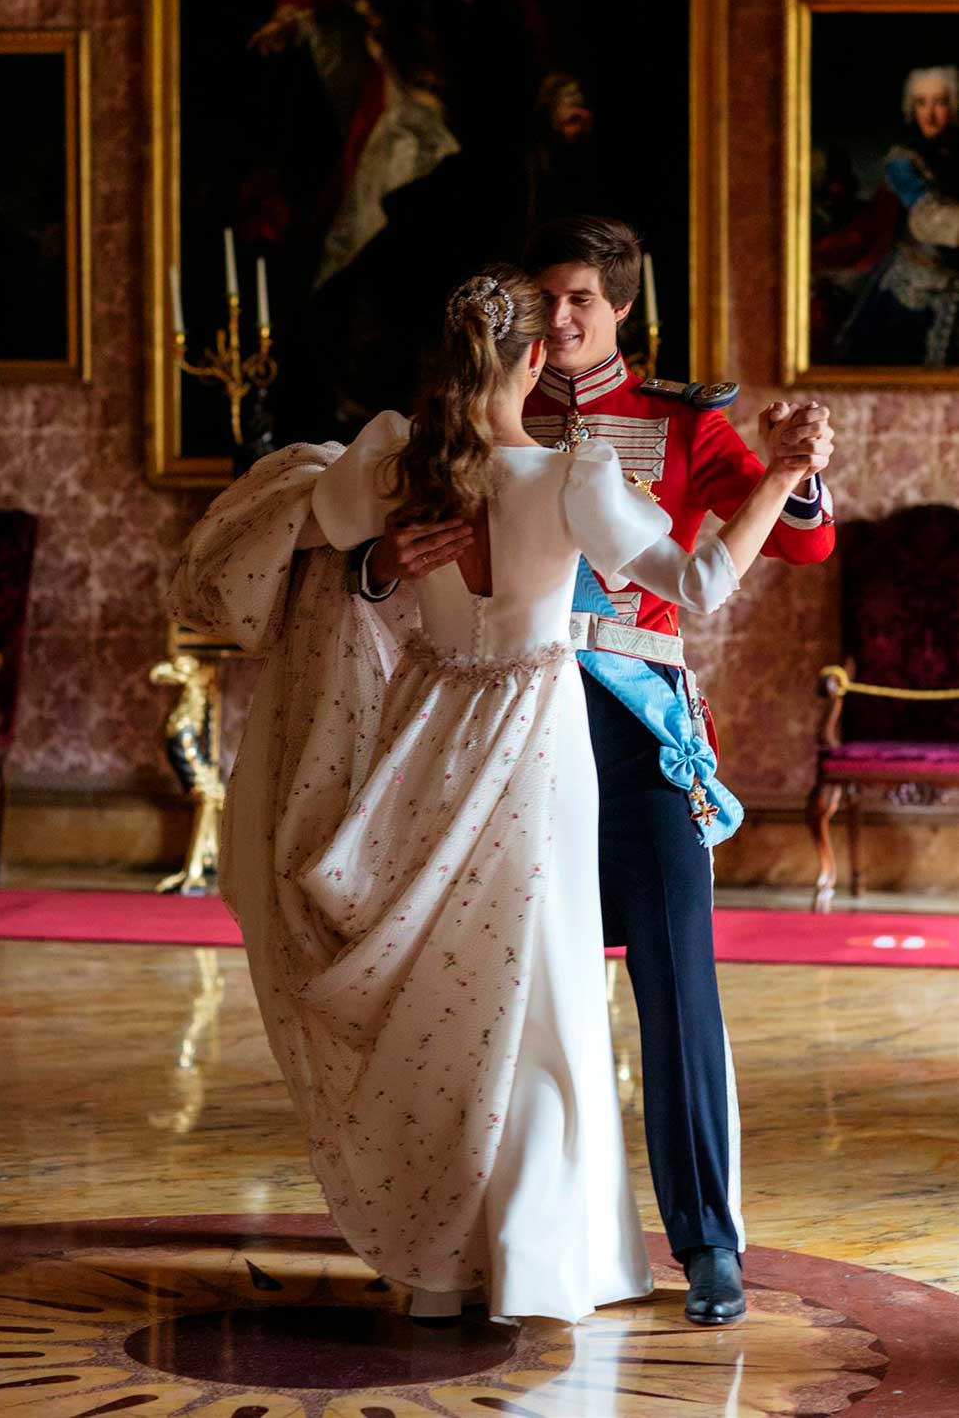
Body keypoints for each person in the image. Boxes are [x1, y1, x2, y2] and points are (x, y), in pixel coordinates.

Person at [171, 262, 819, 1323]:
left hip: (427, 733)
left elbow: (294, 546)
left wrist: (380, 559)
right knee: (544, 993)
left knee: (452, 994)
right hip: (535, 737)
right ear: (527, 356)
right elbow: (698, 586)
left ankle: (449, 1262)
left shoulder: (391, 459)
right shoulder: (572, 474)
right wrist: (773, 478)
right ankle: (538, 1256)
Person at [362, 218, 835, 1325]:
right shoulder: (470, 428)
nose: (561, 321)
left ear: (623, 305)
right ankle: (497, 1237)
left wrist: (798, 474)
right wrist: (379, 562)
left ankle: (710, 1246)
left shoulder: (681, 420)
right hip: (505, 739)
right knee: (506, 995)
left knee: (676, 982)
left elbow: (801, 543)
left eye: (581, 298)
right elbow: (357, 544)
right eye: (547, 301)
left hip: (631, 731)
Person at [818, 64, 959, 368]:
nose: (930, 114)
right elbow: (930, 218)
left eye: (940, 102)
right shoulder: (902, 161)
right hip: (914, 288)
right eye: (921, 103)